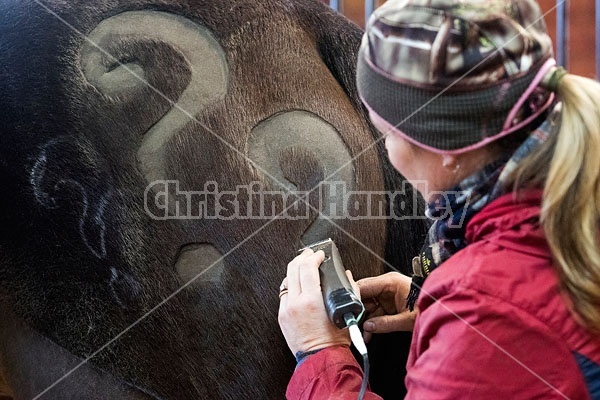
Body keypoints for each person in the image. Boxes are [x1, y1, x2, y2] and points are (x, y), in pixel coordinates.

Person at [277, 0, 600, 398]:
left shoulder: (484, 311)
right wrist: (437, 304)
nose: (390, 155)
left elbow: (506, 319)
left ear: (442, 146)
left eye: (388, 135)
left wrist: (319, 355)